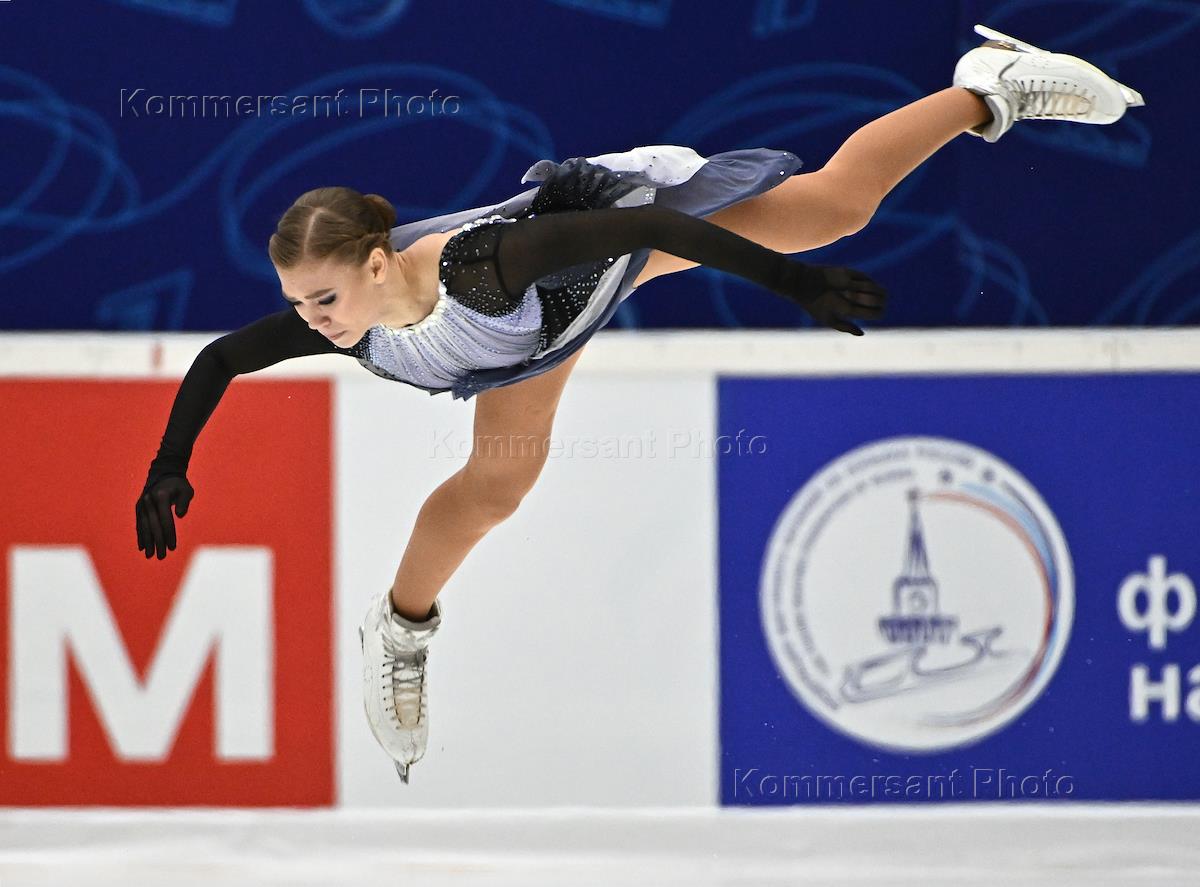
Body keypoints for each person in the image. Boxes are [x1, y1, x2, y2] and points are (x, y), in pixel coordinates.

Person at [134, 26, 1144, 782]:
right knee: (496, 488)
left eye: (321, 298)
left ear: (371, 260)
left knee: (835, 208)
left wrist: (790, 286)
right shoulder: (340, 315)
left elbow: (665, 225)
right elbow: (222, 359)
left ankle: (986, 89)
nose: (309, 322)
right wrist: (169, 462)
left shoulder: (486, 265)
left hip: (590, 270)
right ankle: (399, 629)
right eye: (297, 306)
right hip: (521, 348)